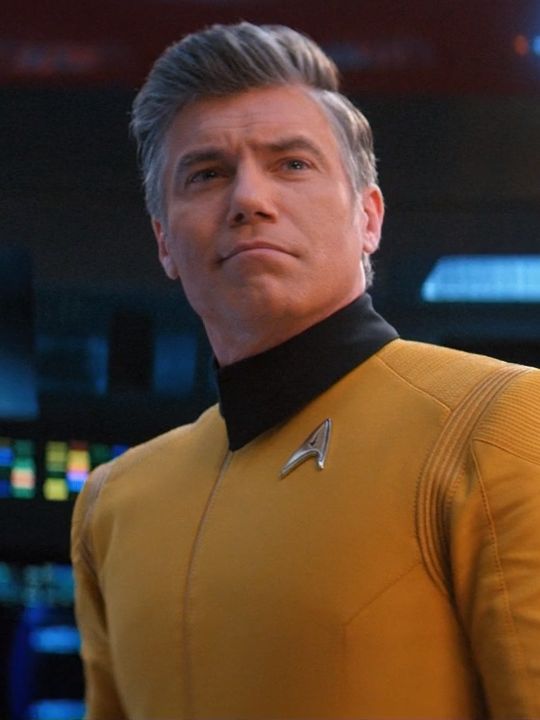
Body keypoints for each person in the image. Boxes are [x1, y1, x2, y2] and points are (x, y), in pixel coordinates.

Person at [71, 22, 540, 720]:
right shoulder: (112, 505)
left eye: (292, 164)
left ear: (368, 218)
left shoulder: (496, 424)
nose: (248, 199)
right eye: (206, 174)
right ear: (165, 242)